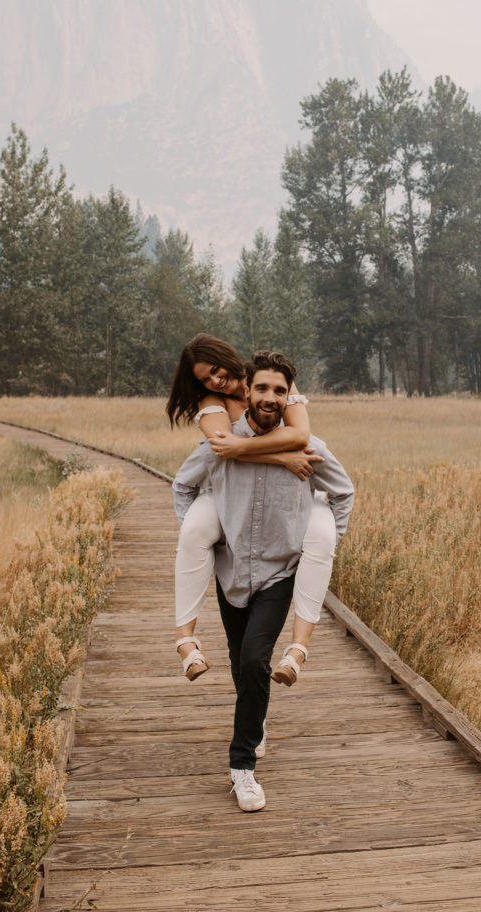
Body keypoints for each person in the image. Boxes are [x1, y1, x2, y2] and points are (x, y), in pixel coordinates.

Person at [172, 351, 354, 810]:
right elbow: (183, 486)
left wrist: (325, 541)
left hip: (279, 571)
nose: (270, 398)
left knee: (255, 660)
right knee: (240, 665)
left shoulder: (311, 447)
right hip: (232, 570)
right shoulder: (220, 442)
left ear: (289, 395)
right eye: (261, 389)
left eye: (280, 391)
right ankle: (256, 721)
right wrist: (205, 537)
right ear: (245, 390)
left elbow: (343, 490)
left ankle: (242, 768)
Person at [166, 333, 337, 687]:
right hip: (225, 492)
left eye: (215, 370)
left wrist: (286, 453)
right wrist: (281, 458)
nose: (214, 380)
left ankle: (298, 650)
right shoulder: (212, 401)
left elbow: (300, 436)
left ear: (229, 358)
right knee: (195, 531)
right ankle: (185, 639)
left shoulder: (268, 382)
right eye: (203, 378)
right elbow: (225, 448)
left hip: (272, 513)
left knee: (322, 536)